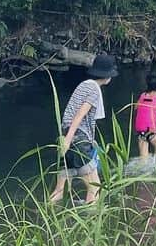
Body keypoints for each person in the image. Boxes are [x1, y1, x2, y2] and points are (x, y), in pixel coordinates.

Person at [49, 52, 118, 206]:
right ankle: (93, 222)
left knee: (60, 191)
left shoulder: (84, 85)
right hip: (76, 140)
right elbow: (80, 114)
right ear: (107, 75)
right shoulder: (94, 89)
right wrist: (70, 140)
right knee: (95, 187)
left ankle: (45, 218)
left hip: (66, 137)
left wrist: (68, 140)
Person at [133, 66, 156, 160]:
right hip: (154, 132)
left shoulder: (142, 96)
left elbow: (136, 108)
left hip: (141, 132)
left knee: (143, 159)